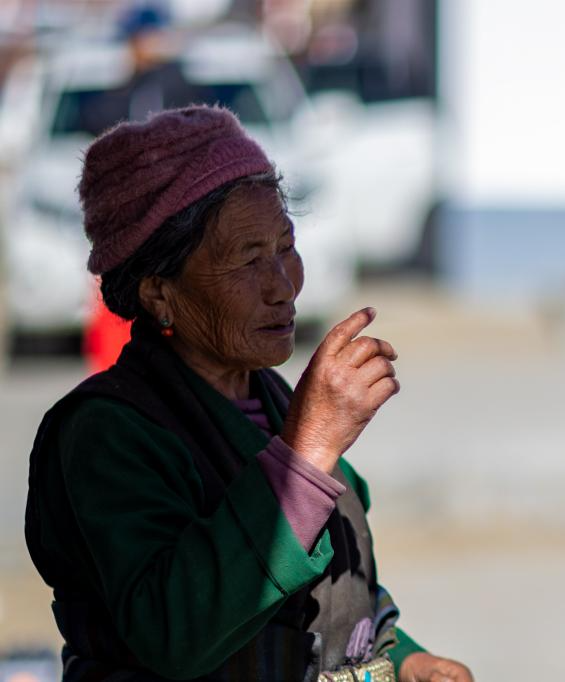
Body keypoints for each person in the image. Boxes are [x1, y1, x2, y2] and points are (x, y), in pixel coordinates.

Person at [24, 106, 473, 682]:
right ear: (160, 293)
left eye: (285, 247)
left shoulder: (274, 401)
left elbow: (334, 589)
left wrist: (406, 659)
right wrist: (308, 451)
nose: (284, 286)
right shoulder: (107, 433)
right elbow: (176, 631)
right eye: (248, 259)